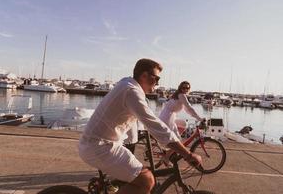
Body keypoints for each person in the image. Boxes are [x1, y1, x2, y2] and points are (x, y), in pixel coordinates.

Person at [78, 59, 202, 194]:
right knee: (146, 180)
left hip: (103, 144)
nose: (157, 83)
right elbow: (154, 123)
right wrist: (188, 154)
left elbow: (143, 120)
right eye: (156, 78)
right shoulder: (132, 91)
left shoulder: (127, 84)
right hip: (100, 147)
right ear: (144, 75)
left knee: (141, 175)